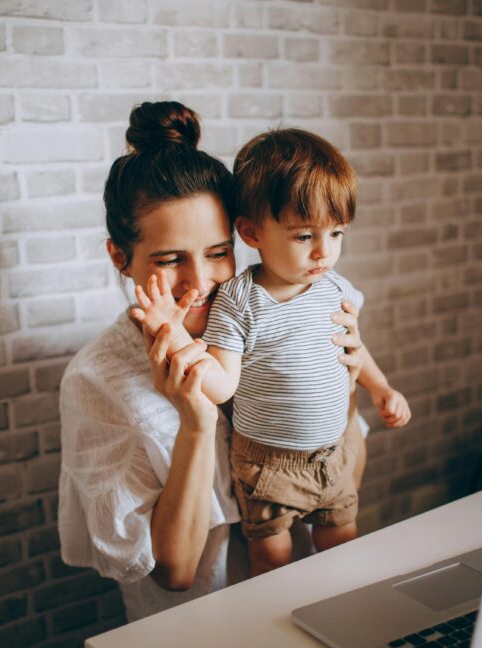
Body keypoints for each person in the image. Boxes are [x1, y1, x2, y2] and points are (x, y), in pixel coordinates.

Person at [57, 102, 366, 621]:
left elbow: (346, 479)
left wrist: (345, 381)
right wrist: (196, 425)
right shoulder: (97, 380)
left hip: (314, 613)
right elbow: (174, 573)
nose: (200, 282)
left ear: (247, 238)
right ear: (120, 257)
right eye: (171, 259)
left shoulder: (270, 317)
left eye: (218, 252)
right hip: (201, 641)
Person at [131, 128, 411, 576]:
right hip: (269, 465)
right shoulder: (240, 301)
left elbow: (354, 351)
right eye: (304, 237)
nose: (325, 252)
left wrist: (380, 388)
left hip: (332, 453)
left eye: (336, 233)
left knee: (344, 547)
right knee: (274, 561)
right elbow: (223, 386)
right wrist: (177, 337)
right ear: (251, 233)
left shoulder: (334, 288)